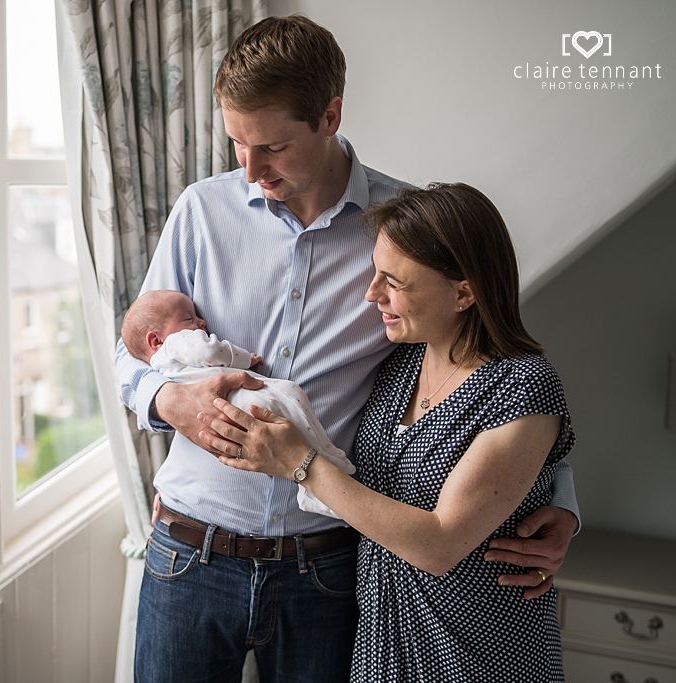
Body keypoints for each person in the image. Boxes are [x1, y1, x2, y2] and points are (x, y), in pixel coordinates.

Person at [114, 15, 580, 683]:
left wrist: (557, 499)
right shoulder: (200, 212)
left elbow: (486, 372)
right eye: (237, 143)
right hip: (191, 551)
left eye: (271, 145)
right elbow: (134, 349)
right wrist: (171, 399)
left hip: (327, 568)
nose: (251, 169)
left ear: (330, 114)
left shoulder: (407, 227)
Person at [200, 182, 572, 681]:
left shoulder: (522, 387)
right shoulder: (399, 365)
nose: (372, 293)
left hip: (479, 654)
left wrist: (300, 464)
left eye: (393, 281)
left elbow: (439, 544)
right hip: (381, 648)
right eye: (375, 273)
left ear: (463, 291)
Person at [121, 289, 356, 517]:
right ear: (155, 340)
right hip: (239, 400)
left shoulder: (163, 365)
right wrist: (245, 358)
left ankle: (322, 471)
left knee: (290, 406)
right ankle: (327, 465)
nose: (201, 322)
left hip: (229, 408)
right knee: (290, 398)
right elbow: (210, 351)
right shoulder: (173, 344)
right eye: (188, 318)